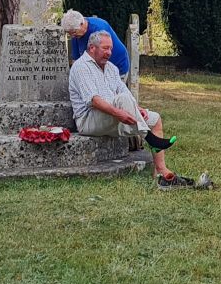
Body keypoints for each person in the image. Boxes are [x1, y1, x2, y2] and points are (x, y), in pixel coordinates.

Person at [68, 31, 193, 189]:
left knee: (155, 119)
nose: (109, 53)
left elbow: (124, 91)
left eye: (111, 49)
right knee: (122, 100)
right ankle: (149, 137)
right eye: (105, 48)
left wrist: (137, 108)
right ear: (92, 48)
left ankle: (160, 170)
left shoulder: (111, 68)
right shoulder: (81, 67)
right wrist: (120, 112)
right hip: (89, 121)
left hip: (113, 115)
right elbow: (94, 100)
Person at [61, 9, 130, 79]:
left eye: (74, 32)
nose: (72, 36)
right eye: (70, 34)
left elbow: (101, 59)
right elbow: (76, 59)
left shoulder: (99, 29)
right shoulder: (76, 34)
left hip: (115, 66)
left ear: (81, 24)